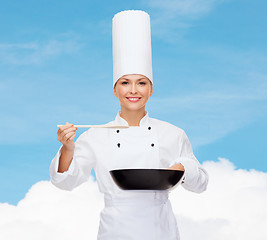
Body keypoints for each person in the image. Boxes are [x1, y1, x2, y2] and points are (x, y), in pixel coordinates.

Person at [50, 10, 208, 240]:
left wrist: (183, 168)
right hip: (115, 230)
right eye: (125, 83)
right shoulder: (95, 136)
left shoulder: (172, 133)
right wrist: (67, 148)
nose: (133, 90)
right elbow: (65, 182)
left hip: (160, 229)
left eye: (141, 83)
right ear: (115, 89)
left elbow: (201, 183)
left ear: (151, 89)